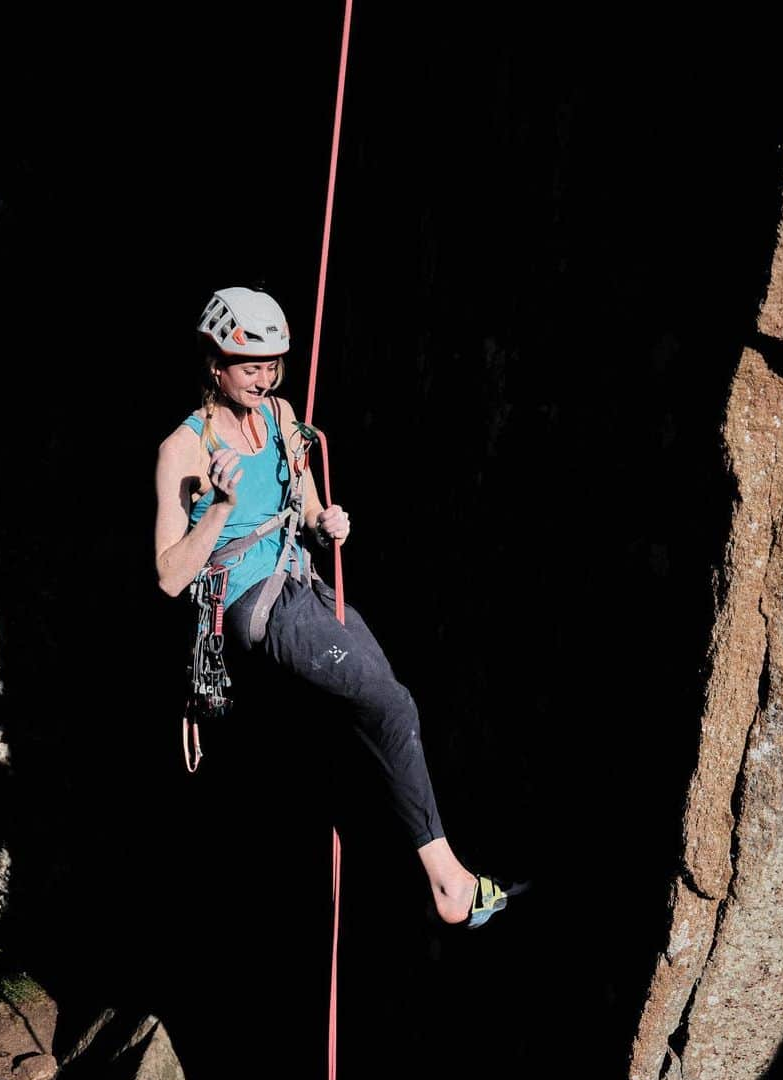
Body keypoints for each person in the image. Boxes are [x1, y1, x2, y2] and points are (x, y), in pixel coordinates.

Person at [154, 286, 525, 928]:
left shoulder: (279, 416)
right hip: (253, 606)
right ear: (215, 364)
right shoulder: (183, 448)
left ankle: (412, 867)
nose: (264, 379)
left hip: (306, 582)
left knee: (382, 701)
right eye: (251, 367)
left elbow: (304, 502)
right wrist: (216, 507)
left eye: (273, 366)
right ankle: (450, 884)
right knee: (388, 702)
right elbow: (168, 576)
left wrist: (327, 520)